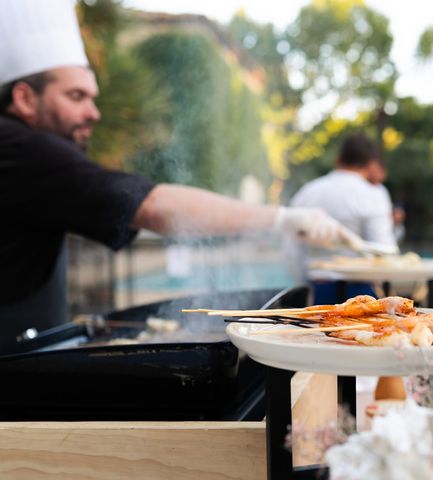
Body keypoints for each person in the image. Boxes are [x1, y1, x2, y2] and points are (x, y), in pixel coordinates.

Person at [0, 0, 356, 350]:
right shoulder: (17, 146)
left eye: (92, 98)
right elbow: (152, 205)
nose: (93, 113)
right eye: (76, 96)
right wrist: (282, 218)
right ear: (25, 98)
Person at [286, 134, 397, 301]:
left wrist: (302, 280)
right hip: (360, 291)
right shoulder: (374, 194)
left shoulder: (307, 192)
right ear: (369, 164)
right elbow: (385, 249)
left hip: (316, 288)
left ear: (338, 160)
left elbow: (291, 247)